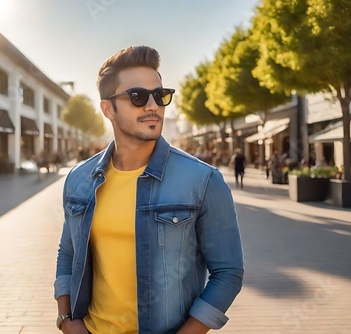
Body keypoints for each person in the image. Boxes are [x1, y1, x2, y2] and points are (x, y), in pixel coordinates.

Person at [54, 46, 244, 334]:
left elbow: (228, 273)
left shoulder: (203, 180)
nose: (153, 106)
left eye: (160, 95)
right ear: (108, 108)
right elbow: (68, 253)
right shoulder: (80, 179)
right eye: (137, 96)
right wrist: (66, 321)